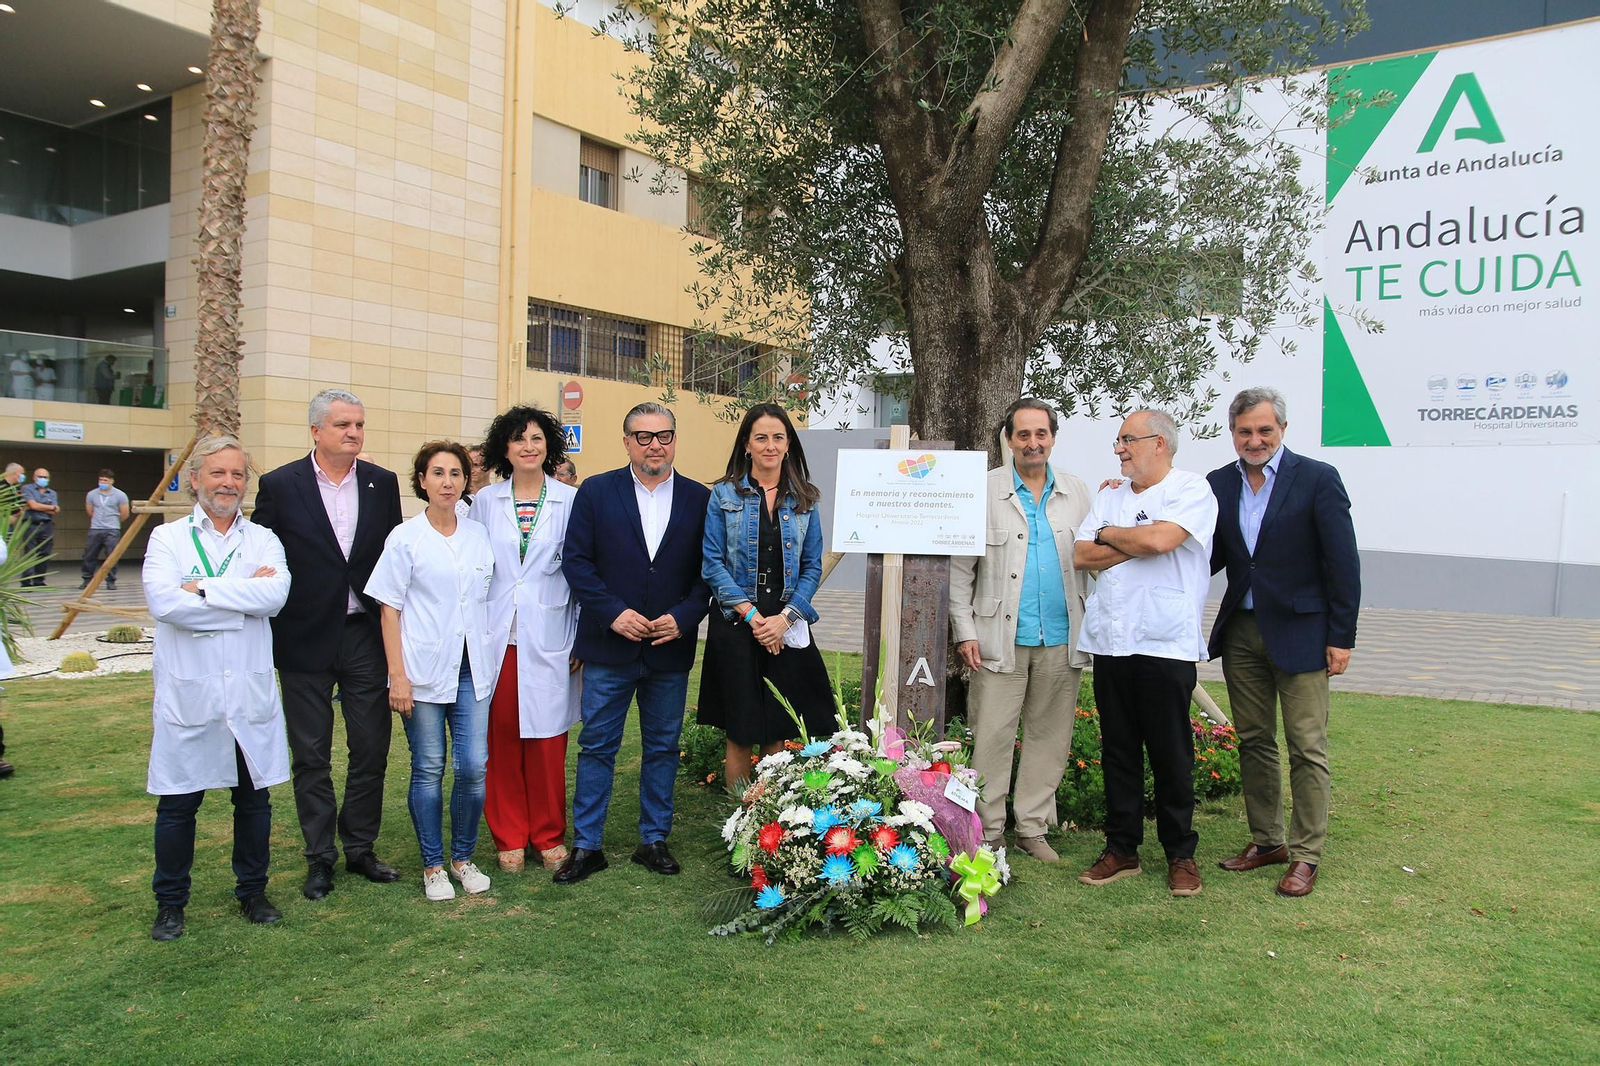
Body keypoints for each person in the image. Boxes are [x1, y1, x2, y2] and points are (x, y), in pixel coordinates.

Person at [252, 388, 405, 901]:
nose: (353, 433)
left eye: (359, 424)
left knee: (371, 749)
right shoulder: (280, 485)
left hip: (365, 634)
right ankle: (319, 857)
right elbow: (262, 552)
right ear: (316, 431)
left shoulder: (382, 483)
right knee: (311, 754)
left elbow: (392, 557)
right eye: (343, 425)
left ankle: (360, 847)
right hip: (304, 635)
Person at [1207, 387, 1359, 898]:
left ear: (1283, 430)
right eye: (1244, 431)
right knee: (1254, 741)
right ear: (1233, 433)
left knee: (1307, 746)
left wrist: (1341, 637)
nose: (1254, 440)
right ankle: (1267, 841)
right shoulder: (1218, 484)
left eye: (1264, 430)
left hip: (1303, 633)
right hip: (1242, 633)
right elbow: (1205, 555)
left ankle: (1306, 855)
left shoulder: (1317, 478)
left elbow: (1343, 563)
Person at [143, 436, 292, 941]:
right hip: (192, 693)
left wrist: (202, 589)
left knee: (253, 801)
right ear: (195, 479)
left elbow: (275, 596)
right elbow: (165, 604)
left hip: (246, 692)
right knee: (178, 805)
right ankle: (170, 903)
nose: (228, 483)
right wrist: (241, 601)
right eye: (218, 473)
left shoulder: (263, 539)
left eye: (237, 474)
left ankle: (253, 891)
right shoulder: (168, 539)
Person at [556, 402, 711, 883]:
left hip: (669, 648)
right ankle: (587, 846)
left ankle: (653, 840)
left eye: (663, 435)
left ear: (674, 440)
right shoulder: (596, 491)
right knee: (597, 746)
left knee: (663, 747)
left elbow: (710, 572)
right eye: (643, 437)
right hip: (609, 646)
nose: (654, 445)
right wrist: (613, 613)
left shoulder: (699, 498)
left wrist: (683, 618)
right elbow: (576, 561)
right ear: (626, 442)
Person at [1072, 410, 1218, 898]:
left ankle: (1181, 853)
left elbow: (1161, 539)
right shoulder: (1110, 495)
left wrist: (1109, 534)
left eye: (1127, 439)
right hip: (1111, 642)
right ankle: (1122, 848)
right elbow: (1081, 555)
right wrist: (1136, 539)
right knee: (1118, 750)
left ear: (1160, 443)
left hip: (1164, 643)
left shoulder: (1190, 489)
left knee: (1171, 752)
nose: (1119, 449)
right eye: (1117, 441)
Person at [948, 398, 1092, 862]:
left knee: (1050, 737)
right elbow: (960, 571)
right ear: (1008, 440)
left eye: (1041, 434)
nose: (1033, 443)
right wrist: (965, 630)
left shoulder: (1077, 492)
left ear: (1053, 438)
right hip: (997, 639)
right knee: (992, 737)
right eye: (1023, 434)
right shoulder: (983, 490)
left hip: (1061, 638)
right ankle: (989, 831)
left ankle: (1032, 828)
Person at [366, 442, 498, 901]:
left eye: (456, 473)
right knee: (428, 767)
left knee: (473, 767)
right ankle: (433, 865)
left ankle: (462, 858)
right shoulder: (405, 537)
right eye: (438, 473)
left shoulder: (478, 534)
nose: (447, 482)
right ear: (422, 480)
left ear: (465, 480)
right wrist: (397, 676)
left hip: (472, 670)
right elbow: (389, 608)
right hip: (421, 673)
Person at [698, 403, 832, 790]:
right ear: (746, 445)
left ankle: (769, 815)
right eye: (761, 438)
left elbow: (812, 567)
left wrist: (784, 620)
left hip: (784, 622)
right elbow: (712, 563)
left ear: (788, 445)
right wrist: (755, 618)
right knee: (740, 729)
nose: (770, 445)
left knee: (778, 726)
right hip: (737, 621)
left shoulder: (804, 499)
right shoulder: (723, 495)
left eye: (778, 437)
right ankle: (738, 815)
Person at [470, 406, 581, 873]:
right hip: (497, 636)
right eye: (519, 439)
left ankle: (548, 836)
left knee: (547, 741)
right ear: (506, 448)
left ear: (549, 445)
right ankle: (509, 837)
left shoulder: (570, 501)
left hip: (552, 635)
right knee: (501, 738)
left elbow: (583, 572)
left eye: (536, 438)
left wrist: (581, 637)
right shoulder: (485, 501)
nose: (528, 447)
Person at [82, 469, 131, 590]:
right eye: (100, 480)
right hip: (95, 528)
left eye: (105, 480)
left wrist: (114, 522)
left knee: (112, 556)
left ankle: (111, 580)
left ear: (111, 481)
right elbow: (89, 510)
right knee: (89, 555)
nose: (102, 482)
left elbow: (125, 513)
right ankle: (87, 579)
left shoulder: (120, 495)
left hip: (112, 529)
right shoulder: (92, 494)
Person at [19, 467, 59, 587]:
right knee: (29, 553)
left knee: (45, 553)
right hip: (30, 524)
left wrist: (40, 506)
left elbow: (55, 510)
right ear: (34, 477)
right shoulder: (27, 488)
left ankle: (39, 580)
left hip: (46, 525)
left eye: (45, 477)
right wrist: (49, 507)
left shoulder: (52, 493)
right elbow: (32, 505)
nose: (43, 479)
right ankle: (26, 581)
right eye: (40, 477)